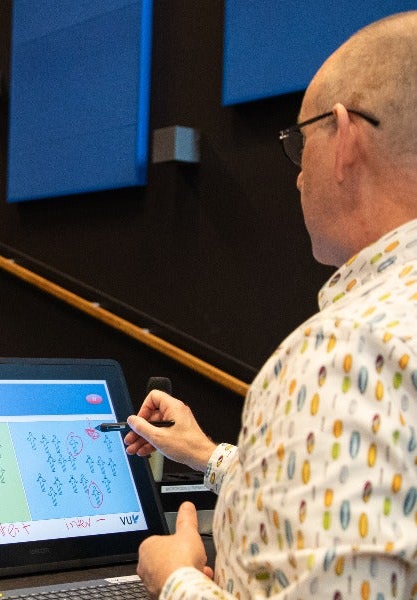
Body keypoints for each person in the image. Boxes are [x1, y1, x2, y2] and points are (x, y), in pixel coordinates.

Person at [126, 11, 417, 598]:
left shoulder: (343, 356)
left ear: (344, 139)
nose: (297, 179)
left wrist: (174, 578)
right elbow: (369, 500)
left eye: (299, 142)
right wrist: (207, 455)